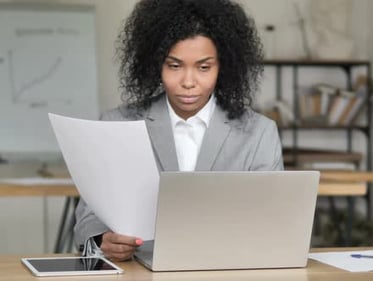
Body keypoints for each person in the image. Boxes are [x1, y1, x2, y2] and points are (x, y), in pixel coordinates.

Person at [74, 0, 284, 261]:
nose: (188, 82)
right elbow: (87, 221)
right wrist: (101, 241)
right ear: (155, 64)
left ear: (224, 66)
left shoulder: (258, 133)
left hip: (228, 270)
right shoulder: (117, 124)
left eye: (204, 67)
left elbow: (273, 223)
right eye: (174, 65)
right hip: (138, 271)